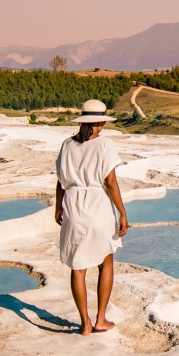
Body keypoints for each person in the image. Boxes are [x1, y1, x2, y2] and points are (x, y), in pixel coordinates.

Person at [54, 99, 129, 335]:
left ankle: (84, 324)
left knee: (78, 267)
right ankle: (100, 320)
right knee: (105, 262)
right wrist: (122, 212)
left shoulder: (67, 144)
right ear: (101, 121)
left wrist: (58, 207)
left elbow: (60, 180)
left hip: (74, 206)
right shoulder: (105, 145)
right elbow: (111, 181)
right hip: (98, 206)